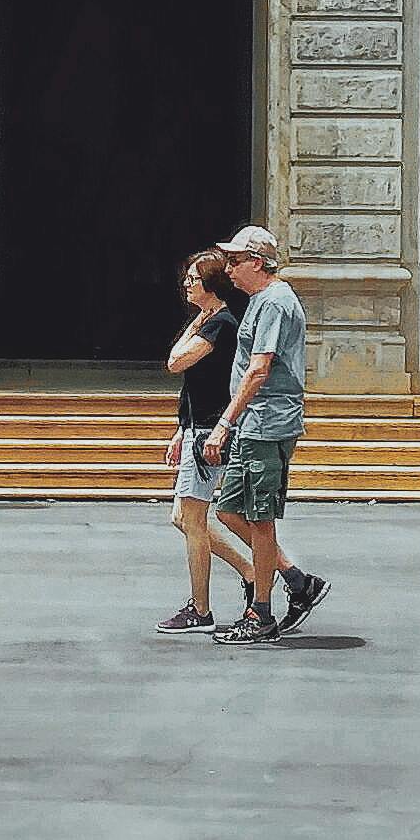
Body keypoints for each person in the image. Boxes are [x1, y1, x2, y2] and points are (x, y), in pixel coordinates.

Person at [206, 224, 326, 639]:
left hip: (267, 422)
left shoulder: (274, 301)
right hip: (253, 422)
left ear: (257, 262)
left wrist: (224, 423)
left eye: (235, 261)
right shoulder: (260, 300)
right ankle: (295, 580)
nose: (230, 269)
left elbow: (259, 368)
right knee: (229, 510)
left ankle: (262, 613)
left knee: (259, 518)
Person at [158, 248, 239, 634]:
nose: (186, 284)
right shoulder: (210, 319)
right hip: (197, 427)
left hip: (209, 431)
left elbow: (176, 363)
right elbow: (193, 386)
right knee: (182, 518)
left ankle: (201, 608)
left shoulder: (219, 323)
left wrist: (196, 323)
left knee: (191, 519)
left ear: (210, 284)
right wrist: (181, 428)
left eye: (193, 279)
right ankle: (251, 570)